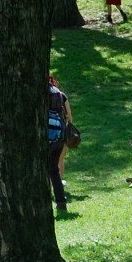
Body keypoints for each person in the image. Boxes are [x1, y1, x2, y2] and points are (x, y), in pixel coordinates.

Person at [46, 76, 73, 214]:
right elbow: (69, 116)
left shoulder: (40, 92)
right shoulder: (59, 93)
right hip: (60, 136)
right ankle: (61, 201)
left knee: (44, 168)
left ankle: (44, 200)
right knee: (54, 170)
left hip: (47, 136)